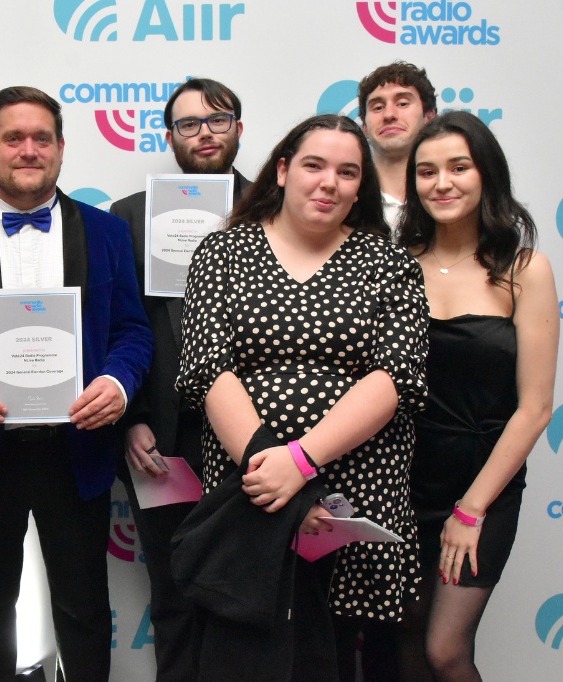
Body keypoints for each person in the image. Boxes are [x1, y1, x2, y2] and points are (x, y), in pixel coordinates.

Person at [0, 86, 153, 682]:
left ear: (62, 149)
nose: (28, 150)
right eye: (13, 138)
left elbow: (132, 331)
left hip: (78, 451)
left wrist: (118, 385)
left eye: (42, 138)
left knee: (86, 611)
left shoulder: (106, 231)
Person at [174, 114, 428, 680]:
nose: (328, 182)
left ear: (360, 187)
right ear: (284, 170)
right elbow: (209, 370)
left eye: (347, 171)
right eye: (314, 165)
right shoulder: (222, 253)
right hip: (253, 493)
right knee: (243, 658)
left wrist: (302, 461)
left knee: (340, 659)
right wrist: (280, 482)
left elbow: (392, 378)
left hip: (354, 499)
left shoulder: (389, 265)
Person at [397, 111, 558, 681]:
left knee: (446, 650)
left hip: (480, 487)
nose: (441, 183)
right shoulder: (396, 267)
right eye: (426, 171)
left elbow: (536, 407)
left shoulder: (524, 270)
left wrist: (471, 509)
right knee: (405, 643)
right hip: (402, 482)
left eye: (458, 167)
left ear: (486, 173)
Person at [109, 76, 252, 682]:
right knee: (173, 595)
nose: (204, 133)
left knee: (246, 597)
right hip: (163, 442)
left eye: (217, 120)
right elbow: (117, 327)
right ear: (169, 137)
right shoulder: (127, 218)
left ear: (239, 129)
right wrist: (133, 417)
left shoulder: (280, 211)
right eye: (189, 124)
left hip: (257, 440)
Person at [358, 61, 437, 230]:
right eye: (378, 107)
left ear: (429, 117)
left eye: (402, 104)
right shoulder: (350, 199)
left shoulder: (448, 196)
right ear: (365, 127)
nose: (389, 115)